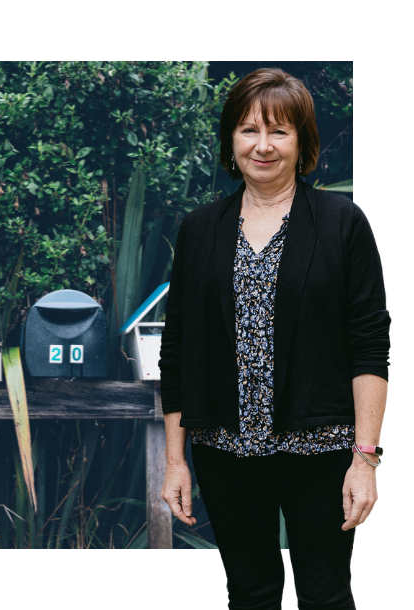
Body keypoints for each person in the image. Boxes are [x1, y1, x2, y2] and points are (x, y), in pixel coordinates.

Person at [157, 68, 389, 610]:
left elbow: (369, 345)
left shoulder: (341, 223)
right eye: (248, 130)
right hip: (226, 451)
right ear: (230, 141)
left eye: (279, 131)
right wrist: (175, 460)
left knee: (326, 593)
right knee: (251, 593)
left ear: (302, 142)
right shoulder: (200, 229)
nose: (262, 145)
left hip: (321, 448)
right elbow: (179, 350)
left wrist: (365, 460)